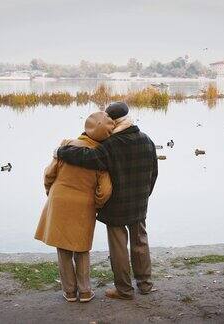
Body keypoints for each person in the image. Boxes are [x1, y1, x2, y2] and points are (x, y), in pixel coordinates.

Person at [56, 102, 158, 300]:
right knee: (141, 243)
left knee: (119, 248)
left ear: (113, 122)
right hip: (139, 202)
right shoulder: (147, 140)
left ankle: (124, 290)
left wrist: (61, 151)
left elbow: (86, 157)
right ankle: (145, 284)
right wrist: (145, 195)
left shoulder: (111, 145)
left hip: (117, 207)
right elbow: (154, 173)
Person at [35, 111, 114, 303]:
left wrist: (51, 193)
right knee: (81, 248)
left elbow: (49, 174)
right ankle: (85, 291)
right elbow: (104, 191)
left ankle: (69, 292)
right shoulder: (100, 157)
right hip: (83, 203)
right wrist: (94, 204)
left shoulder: (66, 145)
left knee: (63, 247)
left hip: (59, 199)